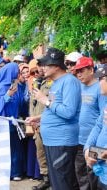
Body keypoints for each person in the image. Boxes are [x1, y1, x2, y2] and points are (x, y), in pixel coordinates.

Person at [28, 47, 81, 190]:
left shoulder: (69, 81)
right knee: (58, 182)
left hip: (62, 141)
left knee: (64, 183)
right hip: (52, 141)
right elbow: (54, 108)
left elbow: (69, 112)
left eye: (46, 65)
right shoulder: (55, 83)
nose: (42, 68)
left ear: (56, 66)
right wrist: (39, 118)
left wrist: (44, 100)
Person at [74, 57, 105, 189]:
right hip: (81, 141)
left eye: (81, 70)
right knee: (81, 173)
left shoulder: (100, 89)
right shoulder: (79, 87)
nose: (78, 74)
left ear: (91, 69)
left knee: (94, 175)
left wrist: (93, 147)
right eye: (77, 71)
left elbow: (102, 122)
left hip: (97, 146)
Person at [0, 62, 26, 180]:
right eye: (16, 71)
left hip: (15, 123)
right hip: (4, 123)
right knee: (6, 149)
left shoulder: (17, 85)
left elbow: (21, 103)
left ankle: (16, 172)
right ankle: (6, 172)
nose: (18, 73)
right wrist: (8, 95)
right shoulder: (1, 87)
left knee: (16, 148)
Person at [28, 60, 52, 190]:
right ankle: (46, 179)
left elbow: (51, 105)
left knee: (51, 155)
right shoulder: (36, 83)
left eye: (40, 69)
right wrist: (33, 120)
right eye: (36, 71)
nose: (37, 72)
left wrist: (40, 120)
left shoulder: (53, 83)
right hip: (36, 125)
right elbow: (32, 104)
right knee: (41, 154)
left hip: (48, 125)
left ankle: (54, 181)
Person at [84, 64, 107, 189]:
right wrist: (88, 149)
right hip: (102, 172)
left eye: (101, 79)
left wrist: (94, 154)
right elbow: (98, 126)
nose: (98, 84)